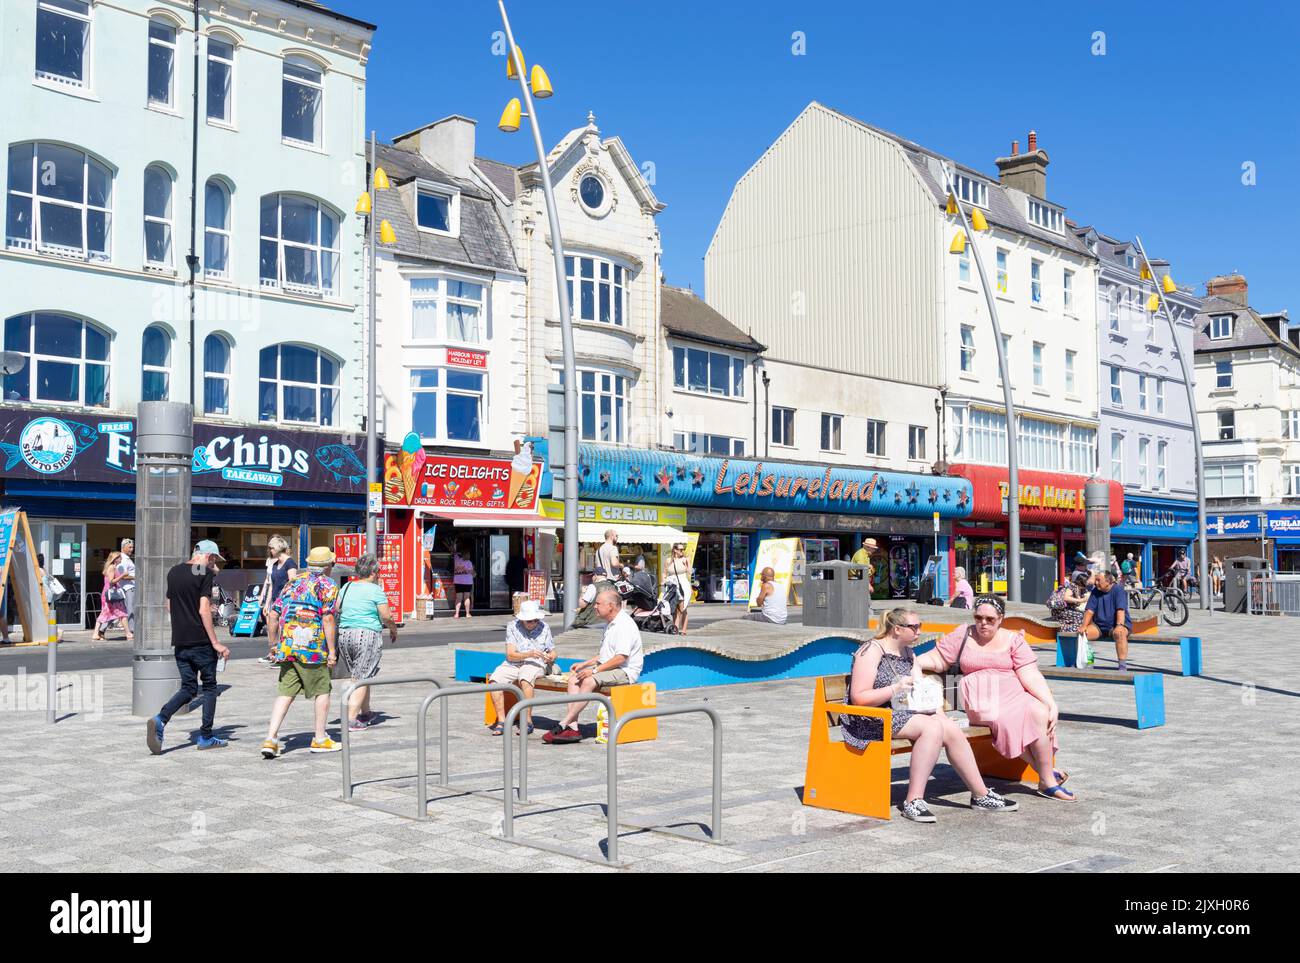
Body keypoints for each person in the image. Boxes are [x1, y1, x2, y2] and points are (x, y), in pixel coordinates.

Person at [842, 608, 1018, 822]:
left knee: (948, 728)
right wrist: (895, 689)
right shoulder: (871, 650)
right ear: (897, 629)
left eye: (920, 626)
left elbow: (922, 692)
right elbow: (859, 697)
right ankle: (913, 801)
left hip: (900, 712)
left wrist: (940, 715)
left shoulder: (908, 652)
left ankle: (980, 794)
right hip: (868, 718)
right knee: (931, 728)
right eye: (914, 627)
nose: (919, 631)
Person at [921, 596, 1075, 802]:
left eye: (989, 619)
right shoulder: (964, 635)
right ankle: (1048, 777)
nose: (983, 623)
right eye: (978, 617)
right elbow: (938, 658)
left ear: (1000, 618)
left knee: (1039, 712)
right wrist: (910, 660)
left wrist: (1050, 703)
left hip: (1012, 692)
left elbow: (1030, 674)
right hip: (981, 697)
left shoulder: (1013, 640)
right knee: (1006, 720)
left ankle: (1046, 779)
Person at [147, 541, 232, 753]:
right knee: (210, 687)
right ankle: (205, 736)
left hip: (180, 639)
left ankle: (161, 718)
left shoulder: (174, 572)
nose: (214, 563)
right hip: (201, 640)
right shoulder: (204, 573)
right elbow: (204, 610)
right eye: (214, 559)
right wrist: (215, 642)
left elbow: (169, 605)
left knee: (189, 687)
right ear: (209, 556)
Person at [261, 546, 342, 757]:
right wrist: (332, 651)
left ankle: (271, 739)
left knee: (285, 692)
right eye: (331, 564)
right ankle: (320, 738)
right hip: (312, 648)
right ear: (326, 566)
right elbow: (328, 618)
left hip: (288, 647)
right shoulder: (328, 585)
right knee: (322, 690)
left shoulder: (293, 582)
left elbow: (273, 614)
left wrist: (273, 644)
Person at [544, 588, 643, 744]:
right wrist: (585, 664)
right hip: (611, 668)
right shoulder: (609, 624)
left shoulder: (623, 625)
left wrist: (594, 670)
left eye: (598, 604)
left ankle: (564, 723)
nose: (594, 606)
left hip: (625, 671)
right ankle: (573, 728)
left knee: (589, 680)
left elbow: (620, 658)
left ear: (611, 606)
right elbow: (605, 655)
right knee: (574, 680)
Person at [337, 552, 398, 732]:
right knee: (361, 677)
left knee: (362, 673)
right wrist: (393, 629)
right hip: (366, 635)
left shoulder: (346, 587)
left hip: (345, 635)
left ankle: (366, 712)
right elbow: (386, 616)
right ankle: (351, 719)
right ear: (374, 572)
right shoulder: (375, 590)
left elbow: (337, 608)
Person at [488, 600, 555, 735]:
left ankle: (527, 721)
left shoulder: (544, 627)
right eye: (529, 621)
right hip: (514, 662)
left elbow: (553, 650)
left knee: (525, 678)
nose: (533, 623)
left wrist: (551, 657)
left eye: (535, 620)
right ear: (522, 619)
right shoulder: (513, 626)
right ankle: (501, 720)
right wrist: (528, 653)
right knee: (495, 680)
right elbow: (511, 654)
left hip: (535, 663)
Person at [1080, 569, 1131, 671]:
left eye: (1099, 580)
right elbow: (1089, 611)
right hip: (1099, 626)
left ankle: (1122, 665)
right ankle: (1088, 662)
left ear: (1108, 582)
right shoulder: (1095, 591)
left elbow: (1120, 610)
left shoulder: (1119, 590)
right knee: (1083, 634)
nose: (1096, 582)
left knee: (1120, 633)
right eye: (1096, 580)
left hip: (1116, 624)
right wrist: (1084, 626)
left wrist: (1119, 625)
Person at [259, 536, 297, 659]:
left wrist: (285, 597)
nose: (270, 551)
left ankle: (281, 653)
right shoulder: (275, 563)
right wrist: (267, 603)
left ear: (278, 548)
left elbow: (292, 583)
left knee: (282, 626)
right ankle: (273, 651)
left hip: (286, 600)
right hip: (276, 599)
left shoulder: (290, 563)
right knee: (271, 622)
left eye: (271, 548)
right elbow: (271, 585)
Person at [92, 551, 133, 642]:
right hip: (111, 594)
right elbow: (111, 581)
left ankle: (96, 633)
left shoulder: (111, 567)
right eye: (120, 557)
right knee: (122, 613)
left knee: (107, 613)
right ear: (115, 559)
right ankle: (128, 633)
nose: (121, 559)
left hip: (109, 594)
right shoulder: (112, 567)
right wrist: (123, 575)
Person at [665, 543, 693, 633]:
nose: (682, 551)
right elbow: (664, 572)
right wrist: (663, 581)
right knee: (674, 606)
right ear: (675, 550)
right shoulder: (668, 560)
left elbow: (689, 573)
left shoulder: (685, 560)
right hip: (672, 583)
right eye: (680, 549)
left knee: (682, 607)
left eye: (683, 549)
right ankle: (675, 628)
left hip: (683, 583)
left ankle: (683, 629)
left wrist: (687, 563)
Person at [119, 538, 137, 638]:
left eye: (132, 547)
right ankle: (131, 630)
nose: (131, 549)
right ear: (123, 547)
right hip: (128, 587)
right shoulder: (123, 559)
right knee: (130, 609)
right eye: (129, 547)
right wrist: (136, 576)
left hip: (130, 586)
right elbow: (123, 575)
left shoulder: (126, 558)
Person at [452, 546, 474, 618]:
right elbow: (471, 572)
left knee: (458, 598)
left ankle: (457, 614)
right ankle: (467, 614)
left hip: (458, 581)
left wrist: (453, 545)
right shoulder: (469, 562)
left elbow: (454, 552)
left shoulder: (457, 559)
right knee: (466, 598)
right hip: (467, 582)